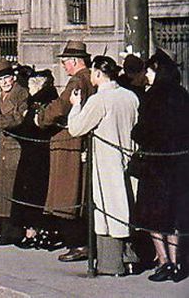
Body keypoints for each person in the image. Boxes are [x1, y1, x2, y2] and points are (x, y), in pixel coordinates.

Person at [67, 56, 140, 276]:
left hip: (107, 162)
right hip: (128, 157)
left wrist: (75, 106)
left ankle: (111, 263)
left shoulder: (99, 100)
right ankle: (130, 257)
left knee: (107, 209)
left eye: (92, 72)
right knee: (127, 205)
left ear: (98, 73)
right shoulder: (130, 97)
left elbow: (76, 128)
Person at [34, 40, 95, 263]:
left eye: (66, 62)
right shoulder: (90, 78)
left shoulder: (78, 80)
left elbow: (61, 106)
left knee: (66, 195)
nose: (64, 66)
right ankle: (80, 242)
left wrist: (41, 118)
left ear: (76, 61)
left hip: (70, 142)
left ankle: (77, 244)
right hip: (80, 140)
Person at [132, 50, 189, 283]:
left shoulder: (153, 96)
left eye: (149, 70)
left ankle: (164, 261)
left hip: (156, 165)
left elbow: (142, 131)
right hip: (180, 164)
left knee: (154, 216)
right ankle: (177, 264)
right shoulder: (183, 94)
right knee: (175, 216)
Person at [12, 69, 57, 249]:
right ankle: (32, 230)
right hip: (32, 152)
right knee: (30, 192)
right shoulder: (36, 101)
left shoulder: (43, 101)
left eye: (31, 84)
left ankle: (37, 231)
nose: (29, 87)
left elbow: (34, 126)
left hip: (39, 153)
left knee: (36, 192)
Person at [0, 60, 28, 246]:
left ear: (13, 78)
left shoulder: (20, 93)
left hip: (14, 146)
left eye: (7, 78)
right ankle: (5, 229)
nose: (4, 82)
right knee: (3, 189)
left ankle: (13, 231)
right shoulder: (2, 95)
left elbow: (19, 117)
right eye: (1, 79)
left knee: (11, 190)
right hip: (3, 146)